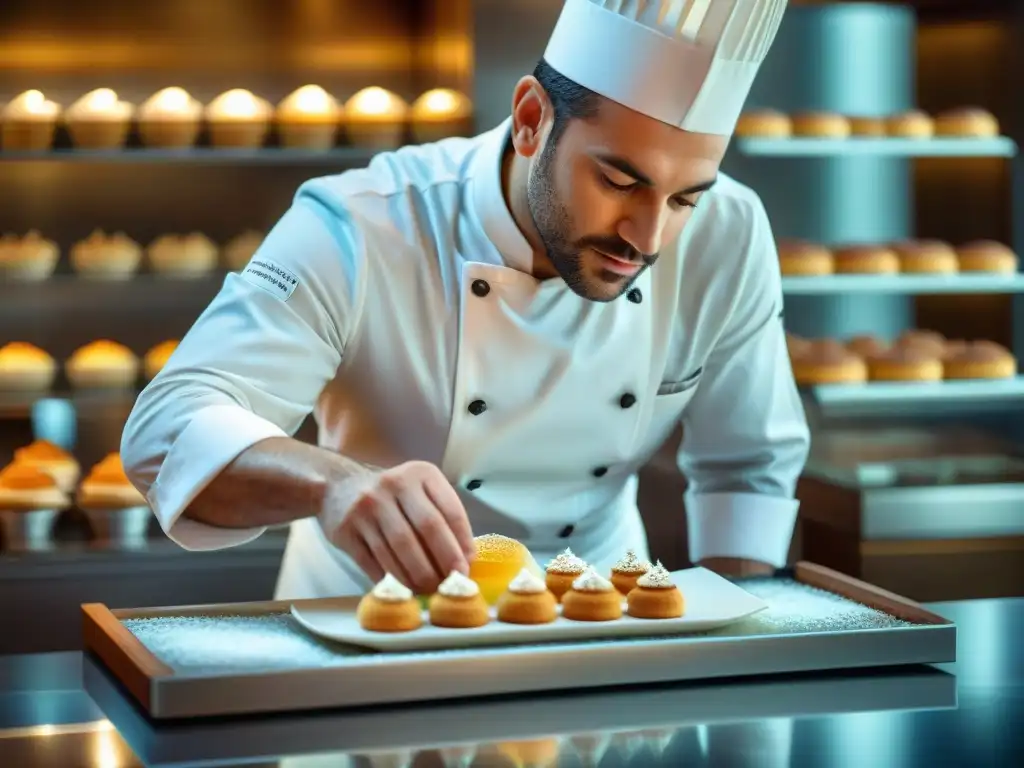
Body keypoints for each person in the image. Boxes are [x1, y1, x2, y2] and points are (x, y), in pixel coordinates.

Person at [121, 0, 808, 600]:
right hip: (368, 630)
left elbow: (748, 468)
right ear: (533, 119)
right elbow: (167, 427)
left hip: (596, 623)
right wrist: (333, 484)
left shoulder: (730, 232)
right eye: (620, 181)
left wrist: (734, 651)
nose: (648, 237)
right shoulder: (364, 224)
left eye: (686, 197)